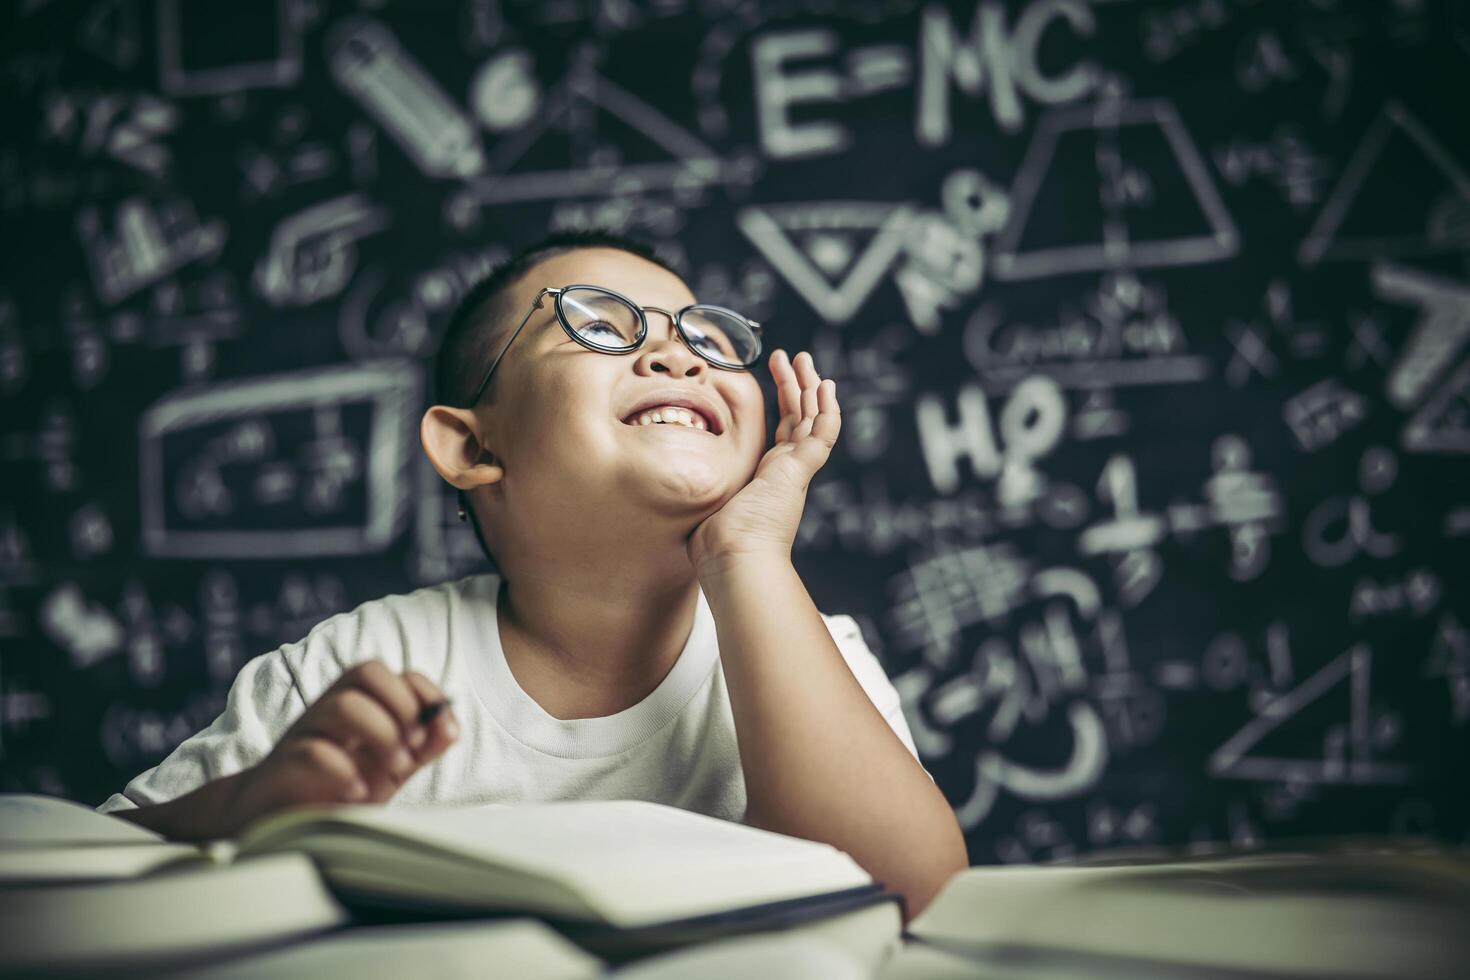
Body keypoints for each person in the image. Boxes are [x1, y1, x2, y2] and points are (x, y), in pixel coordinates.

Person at [99, 229, 968, 917]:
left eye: (706, 336)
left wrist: (747, 556)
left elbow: (907, 890)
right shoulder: (359, 665)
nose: (680, 356)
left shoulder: (802, 648)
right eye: (598, 323)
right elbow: (75, 874)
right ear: (474, 445)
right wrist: (249, 810)